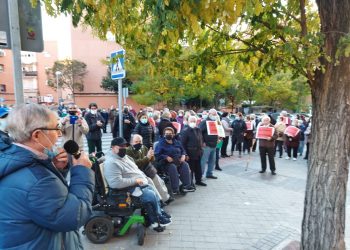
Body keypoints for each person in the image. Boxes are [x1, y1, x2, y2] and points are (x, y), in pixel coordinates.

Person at [0, 103, 94, 249]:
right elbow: (74, 216)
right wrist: (82, 171)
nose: (60, 134)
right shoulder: (39, 180)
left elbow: (49, 203)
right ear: (37, 135)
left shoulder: (14, 158)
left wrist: (55, 168)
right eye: (56, 128)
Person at [103, 137, 171, 228]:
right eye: (121, 146)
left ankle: (159, 213)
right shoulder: (111, 162)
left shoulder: (124, 157)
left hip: (138, 182)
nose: (124, 148)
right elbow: (115, 183)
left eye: (125, 146)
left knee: (151, 185)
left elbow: (135, 168)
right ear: (113, 148)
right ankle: (156, 218)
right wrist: (135, 180)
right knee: (149, 194)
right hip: (127, 188)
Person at [126, 134, 171, 204]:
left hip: (147, 169)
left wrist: (152, 156)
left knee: (159, 181)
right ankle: (158, 201)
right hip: (138, 172)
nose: (138, 143)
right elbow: (135, 163)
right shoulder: (128, 151)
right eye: (136, 142)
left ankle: (165, 198)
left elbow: (151, 160)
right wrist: (147, 158)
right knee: (151, 183)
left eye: (140, 142)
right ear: (132, 142)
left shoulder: (144, 148)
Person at [154, 127, 195, 194]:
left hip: (178, 161)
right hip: (166, 163)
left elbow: (183, 150)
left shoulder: (177, 142)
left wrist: (184, 155)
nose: (168, 135)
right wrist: (166, 157)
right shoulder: (161, 144)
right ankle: (175, 189)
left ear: (173, 134)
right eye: (166, 133)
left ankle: (187, 186)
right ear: (164, 134)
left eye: (170, 133)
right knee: (172, 167)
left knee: (185, 164)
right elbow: (157, 154)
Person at [181, 116, 206, 186]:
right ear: (188, 122)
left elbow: (201, 139)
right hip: (190, 153)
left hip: (198, 152)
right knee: (191, 168)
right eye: (191, 121)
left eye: (194, 121)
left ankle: (198, 180)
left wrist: (202, 149)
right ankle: (190, 182)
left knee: (198, 168)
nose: (193, 123)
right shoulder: (185, 131)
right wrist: (185, 154)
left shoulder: (198, 129)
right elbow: (182, 144)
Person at [199, 108, 219, 179]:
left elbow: (218, 131)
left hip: (214, 144)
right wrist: (202, 142)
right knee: (203, 161)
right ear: (209, 114)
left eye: (215, 114)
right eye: (213, 114)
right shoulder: (204, 122)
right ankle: (200, 175)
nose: (215, 116)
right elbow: (199, 132)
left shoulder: (216, 122)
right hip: (206, 145)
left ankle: (209, 173)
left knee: (212, 160)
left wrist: (219, 137)